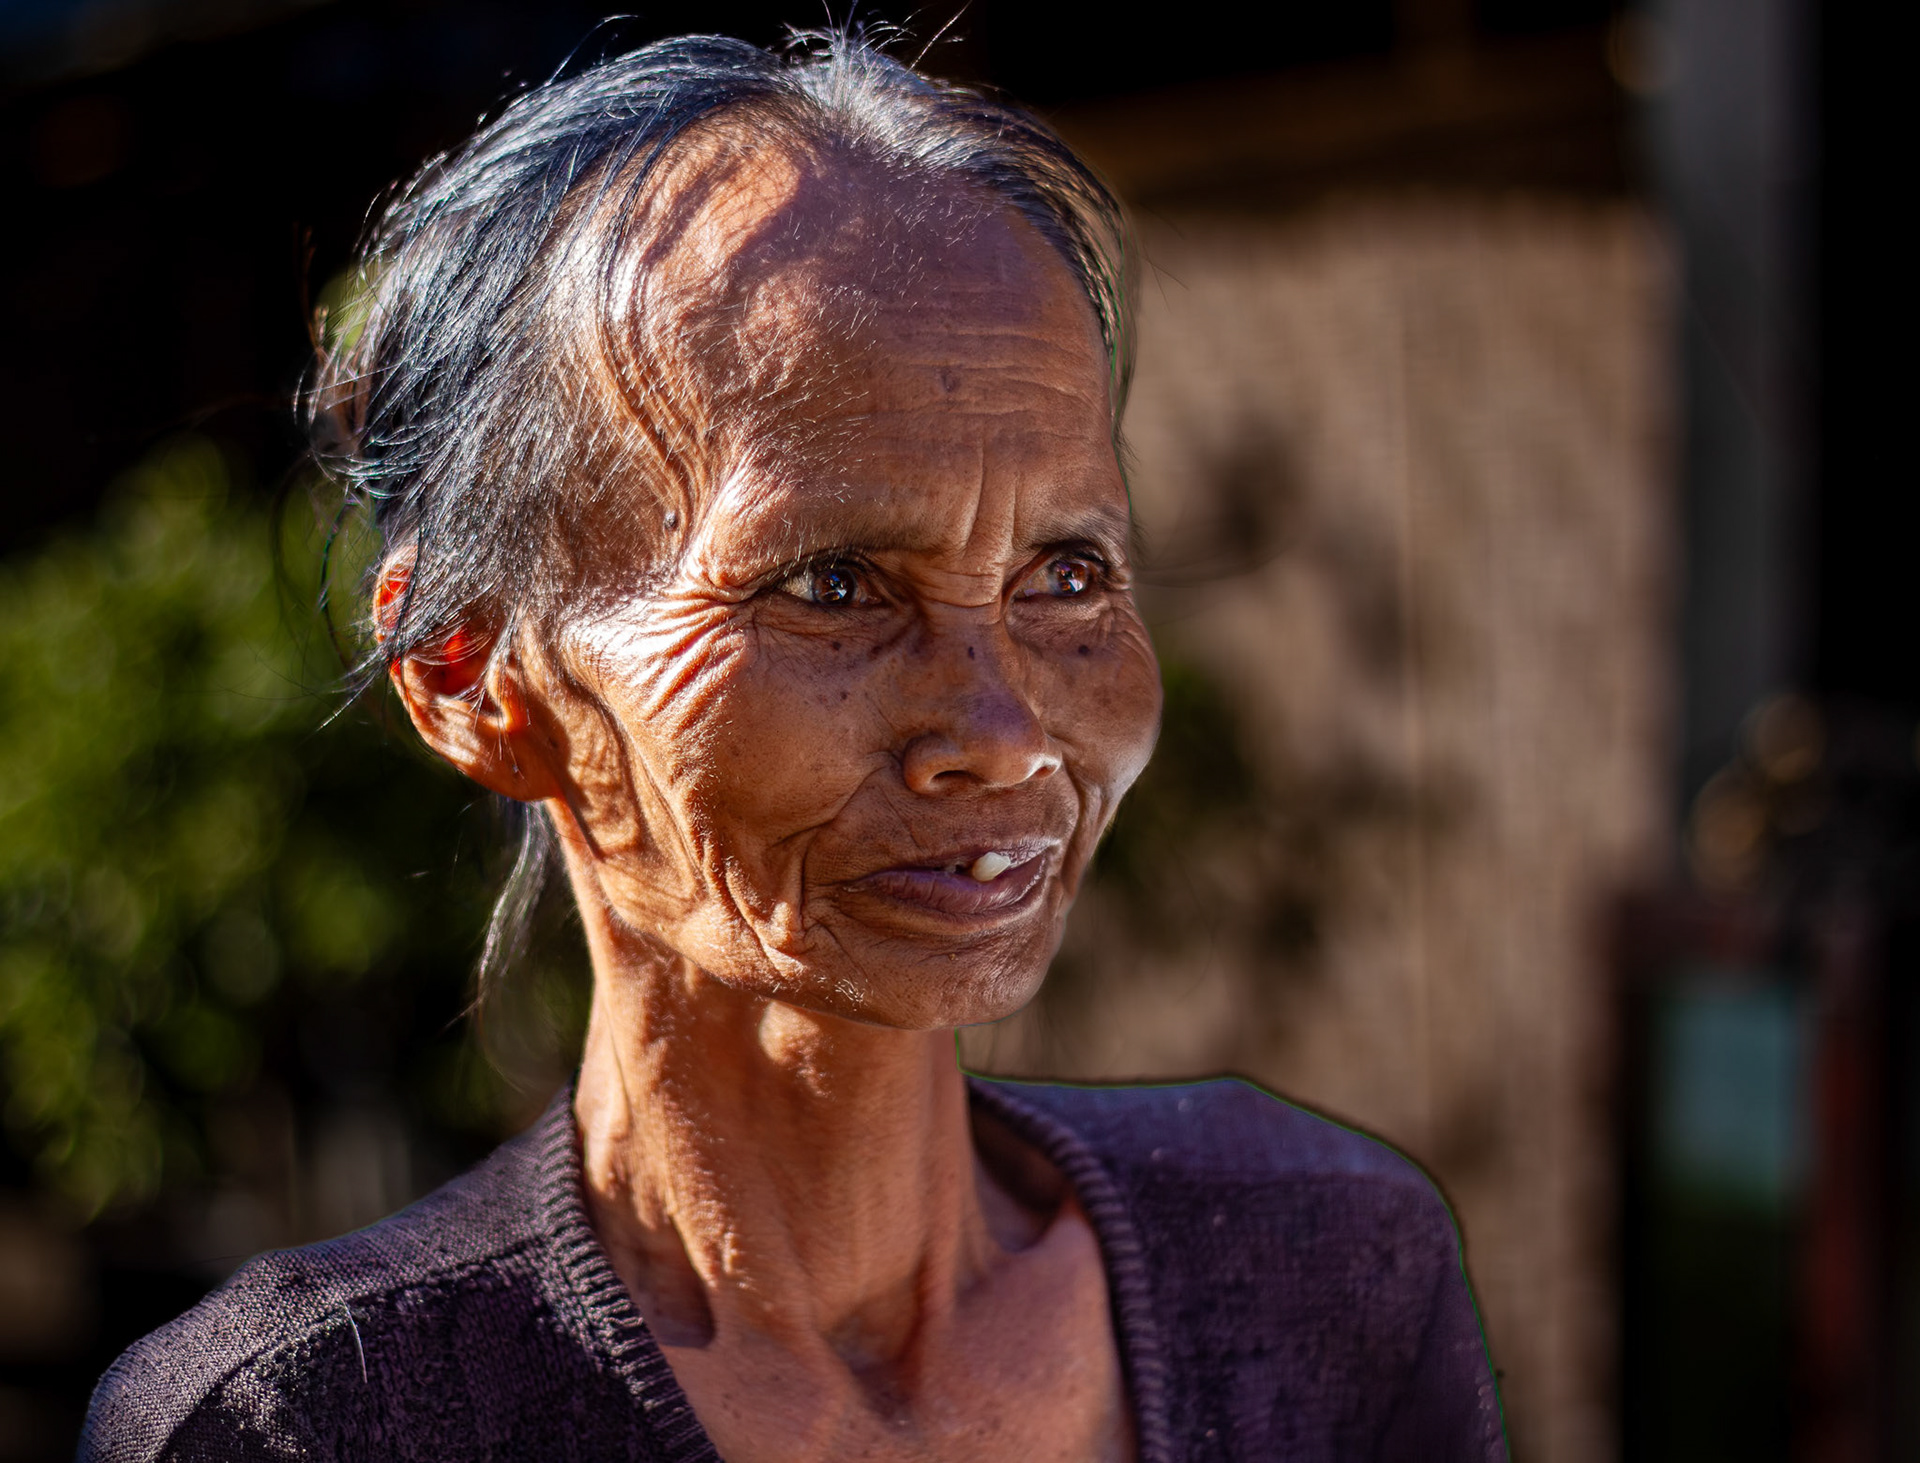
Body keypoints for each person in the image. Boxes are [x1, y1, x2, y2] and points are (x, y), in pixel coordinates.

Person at [82, 32, 1505, 1463]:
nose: (1002, 734)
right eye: (830, 585)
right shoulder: (314, 1425)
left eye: (1067, 573)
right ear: (472, 674)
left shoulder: (1326, 1279)